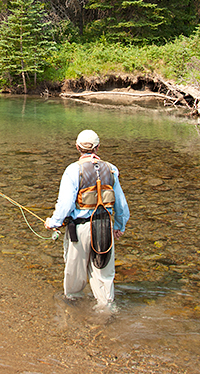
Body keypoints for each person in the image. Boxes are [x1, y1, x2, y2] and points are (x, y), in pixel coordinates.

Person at [45, 129, 129, 309]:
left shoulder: (73, 170)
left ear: (77, 147)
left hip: (80, 229)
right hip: (105, 227)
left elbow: (65, 204)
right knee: (104, 274)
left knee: (74, 274)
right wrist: (119, 226)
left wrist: (54, 222)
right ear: (98, 148)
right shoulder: (111, 169)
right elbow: (121, 204)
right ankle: (106, 311)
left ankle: (73, 312)